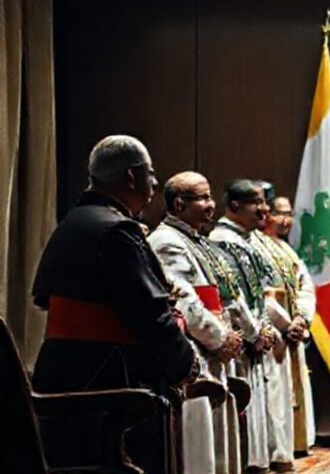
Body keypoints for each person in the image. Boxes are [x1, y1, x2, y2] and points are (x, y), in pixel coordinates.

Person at [32, 135, 197, 473]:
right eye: (150, 174)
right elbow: (151, 317)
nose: (153, 183)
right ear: (133, 177)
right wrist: (186, 363)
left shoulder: (73, 224)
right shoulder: (116, 231)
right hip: (114, 387)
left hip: (67, 375)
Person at [149, 171, 253, 474]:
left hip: (216, 349)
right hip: (198, 351)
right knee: (201, 445)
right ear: (179, 204)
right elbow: (184, 299)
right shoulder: (167, 241)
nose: (211, 205)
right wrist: (220, 338)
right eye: (203, 198)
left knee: (220, 440)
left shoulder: (196, 240)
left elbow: (221, 295)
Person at [210, 179, 282, 472]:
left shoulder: (248, 240)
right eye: (256, 203)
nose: (264, 209)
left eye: (265, 202)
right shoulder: (222, 240)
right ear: (235, 206)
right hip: (239, 338)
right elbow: (232, 295)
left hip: (256, 334)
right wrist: (255, 333)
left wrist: (264, 327)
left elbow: (260, 291)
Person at [257, 187, 317, 457]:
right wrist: (285, 324)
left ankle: (297, 442)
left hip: (293, 330)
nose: (286, 220)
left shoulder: (286, 250)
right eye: (281, 213)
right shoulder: (254, 245)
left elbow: (305, 285)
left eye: (289, 214)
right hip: (274, 333)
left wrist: (301, 318)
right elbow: (259, 294)